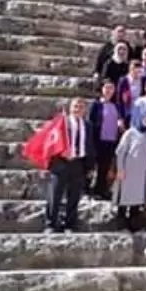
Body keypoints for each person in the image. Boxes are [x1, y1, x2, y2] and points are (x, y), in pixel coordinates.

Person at [46, 97, 91, 233]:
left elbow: (90, 146)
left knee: (74, 196)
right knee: (55, 194)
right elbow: (52, 140)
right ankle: (51, 224)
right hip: (61, 162)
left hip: (78, 163)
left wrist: (89, 166)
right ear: (70, 107)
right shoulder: (62, 123)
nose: (78, 109)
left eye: (81, 107)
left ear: (85, 110)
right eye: (76, 106)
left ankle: (69, 224)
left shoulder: (88, 125)